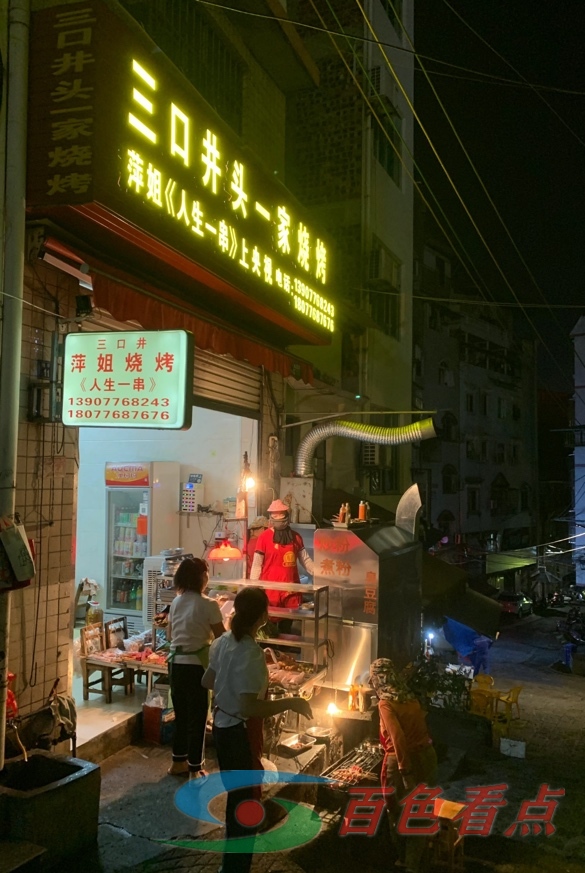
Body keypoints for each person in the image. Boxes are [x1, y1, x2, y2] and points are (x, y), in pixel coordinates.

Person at [202, 587, 312, 873]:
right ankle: (236, 867)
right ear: (263, 616)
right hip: (240, 732)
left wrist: (229, 687)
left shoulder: (222, 642)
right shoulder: (250, 653)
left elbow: (207, 681)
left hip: (222, 728)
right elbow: (250, 708)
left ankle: (230, 865)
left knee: (236, 800)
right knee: (246, 804)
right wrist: (292, 701)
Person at [370, 658, 438, 873]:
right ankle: (415, 861)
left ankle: (405, 862)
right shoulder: (408, 696)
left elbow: (397, 738)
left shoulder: (385, 704)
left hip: (403, 761)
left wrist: (404, 770)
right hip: (427, 756)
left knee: (397, 812)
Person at [166, 558, 225, 777]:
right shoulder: (209, 604)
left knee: (181, 714)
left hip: (176, 664)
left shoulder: (176, 602)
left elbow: (170, 634)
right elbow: (221, 636)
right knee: (199, 716)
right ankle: (195, 767)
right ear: (201, 577)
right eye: (206, 573)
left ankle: (177, 762)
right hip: (197, 667)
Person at [249, 498, 314, 612]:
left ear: (287, 516)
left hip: (292, 590)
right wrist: (253, 588)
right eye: (276, 515)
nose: (279, 517)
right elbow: (256, 565)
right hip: (270, 590)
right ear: (271, 518)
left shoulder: (296, 537)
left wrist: (324, 574)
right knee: (271, 624)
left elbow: (306, 561)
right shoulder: (264, 538)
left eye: (281, 514)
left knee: (287, 624)